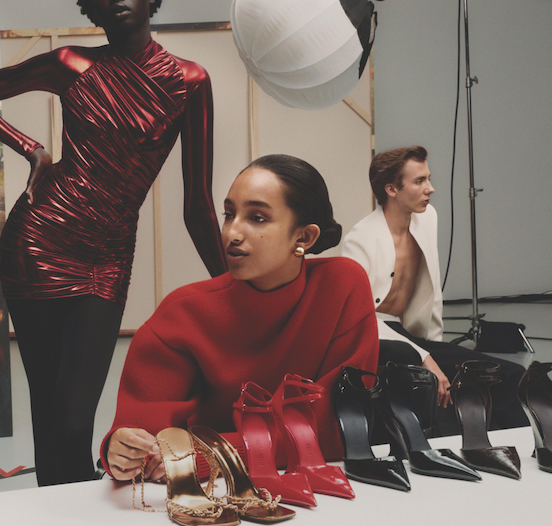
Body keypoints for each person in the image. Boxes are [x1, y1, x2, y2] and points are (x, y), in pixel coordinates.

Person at [0, 0, 226, 486]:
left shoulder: (190, 82)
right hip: (39, 241)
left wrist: (233, 286)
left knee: (77, 421)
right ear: (88, 4)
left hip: (106, 255)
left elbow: (196, 203)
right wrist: (30, 147)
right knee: (52, 420)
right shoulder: (70, 64)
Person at [102, 155, 378, 480]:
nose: (232, 232)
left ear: (303, 238)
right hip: (210, 498)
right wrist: (121, 451)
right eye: (229, 214)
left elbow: (338, 426)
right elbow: (143, 438)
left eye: (257, 218)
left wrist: (215, 453)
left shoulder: (342, 287)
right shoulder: (184, 312)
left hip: (313, 485)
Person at [341, 145, 526, 433]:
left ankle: (524, 448)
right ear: (391, 189)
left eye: (428, 178)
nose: (431, 188)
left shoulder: (427, 217)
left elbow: (432, 289)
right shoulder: (359, 241)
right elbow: (359, 319)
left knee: (511, 374)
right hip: (375, 338)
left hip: (408, 336)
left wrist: (435, 350)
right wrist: (424, 357)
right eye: (419, 181)